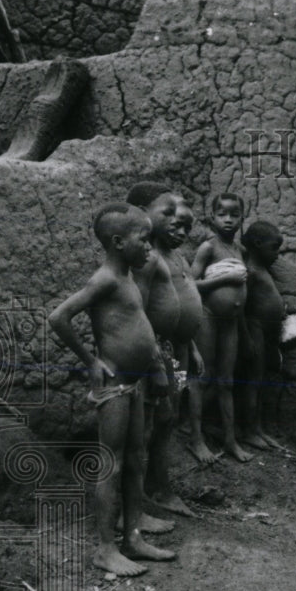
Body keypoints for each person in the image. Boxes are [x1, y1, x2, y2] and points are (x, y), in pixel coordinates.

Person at [48, 203, 177, 576]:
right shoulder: (105, 278)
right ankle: (105, 548)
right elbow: (59, 317)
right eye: (144, 239)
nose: (150, 247)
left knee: (136, 459)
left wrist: (154, 364)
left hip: (135, 383)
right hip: (115, 386)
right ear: (119, 242)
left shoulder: (128, 276)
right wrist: (91, 361)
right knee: (112, 463)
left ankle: (132, 537)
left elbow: (134, 324)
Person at [127, 182, 206, 516]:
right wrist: (156, 360)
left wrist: (193, 348)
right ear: (143, 216)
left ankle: (160, 488)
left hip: (177, 351)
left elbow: (183, 303)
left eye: (186, 224)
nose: (180, 225)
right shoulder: (147, 258)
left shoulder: (179, 257)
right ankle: (138, 497)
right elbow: (139, 313)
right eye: (170, 216)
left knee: (168, 418)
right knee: (144, 425)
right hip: (155, 354)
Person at [191, 192, 253, 462]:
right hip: (208, 317)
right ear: (212, 217)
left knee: (226, 382)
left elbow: (241, 291)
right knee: (202, 377)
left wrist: (245, 331)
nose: (228, 219)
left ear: (242, 218)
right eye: (222, 214)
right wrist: (226, 277)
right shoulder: (209, 248)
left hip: (231, 323)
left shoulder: (240, 251)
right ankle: (195, 438)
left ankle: (230, 441)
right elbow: (191, 285)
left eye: (234, 214)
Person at [239, 220, 287, 451]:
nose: (277, 255)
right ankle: (249, 431)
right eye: (274, 248)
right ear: (257, 245)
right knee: (253, 383)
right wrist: (247, 337)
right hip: (255, 329)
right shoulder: (250, 272)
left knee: (260, 382)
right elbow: (239, 307)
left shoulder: (261, 270)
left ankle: (257, 428)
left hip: (266, 333)